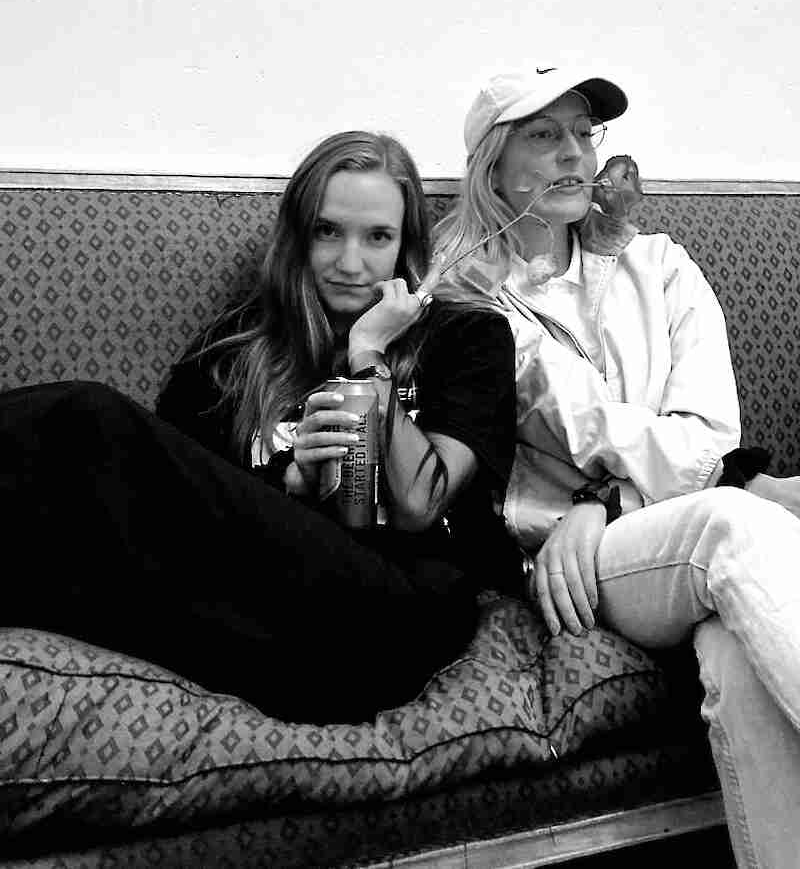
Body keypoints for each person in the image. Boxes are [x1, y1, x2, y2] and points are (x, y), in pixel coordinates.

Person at [0, 131, 520, 723]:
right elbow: (170, 504)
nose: (350, 263)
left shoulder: (466, 338)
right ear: (298, 236)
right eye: (327, 231)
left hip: (392, 617)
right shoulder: (236, 350)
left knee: (87, 417)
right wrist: (292, 480)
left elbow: (422, 503)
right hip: (254, 615)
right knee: (67, 517)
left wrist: (368, 353)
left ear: (407, 245)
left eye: (378, 237)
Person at [433, 66, 800, 867]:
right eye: (543, 134)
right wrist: (618, 495)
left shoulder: (661, 264)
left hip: (604, 527)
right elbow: (583, 419)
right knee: (735, 520)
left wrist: (599, 498)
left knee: (737, 659)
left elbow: (708, 438)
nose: (573, 153)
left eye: (582, 132)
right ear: (492, 163)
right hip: (574, 561)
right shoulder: (473, 303)